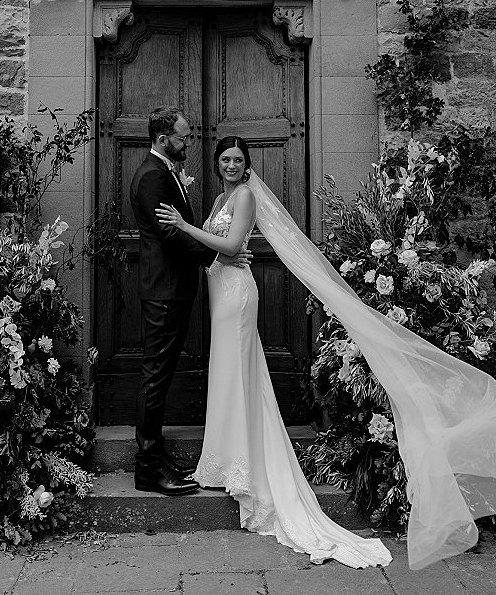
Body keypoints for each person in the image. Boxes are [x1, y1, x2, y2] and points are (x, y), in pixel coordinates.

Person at [155, 136, 393, 567]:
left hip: (236, 297)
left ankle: (243, 464)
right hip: (219, 290)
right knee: (227, 374)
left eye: (238, 160)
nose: (231, 165)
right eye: (225, 159)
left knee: (236, 373)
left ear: (247, 166)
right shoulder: (221, 196)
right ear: (217, 164)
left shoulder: (244, 194)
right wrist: (214, 249)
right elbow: (221, 250)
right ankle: (224, 460)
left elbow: (230, 246)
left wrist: (183, 225)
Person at [130, 109, 250, 496]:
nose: (187, 144)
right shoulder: (151, 176)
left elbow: (183, 226)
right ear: (164, 138)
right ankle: (147, 469)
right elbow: (172, 235)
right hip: (164, 291)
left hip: (175, 289)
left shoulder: (165, 172)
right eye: (182, 138)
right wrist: (218, 257)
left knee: (160, 378)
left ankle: (157, 456)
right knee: (154, 378)